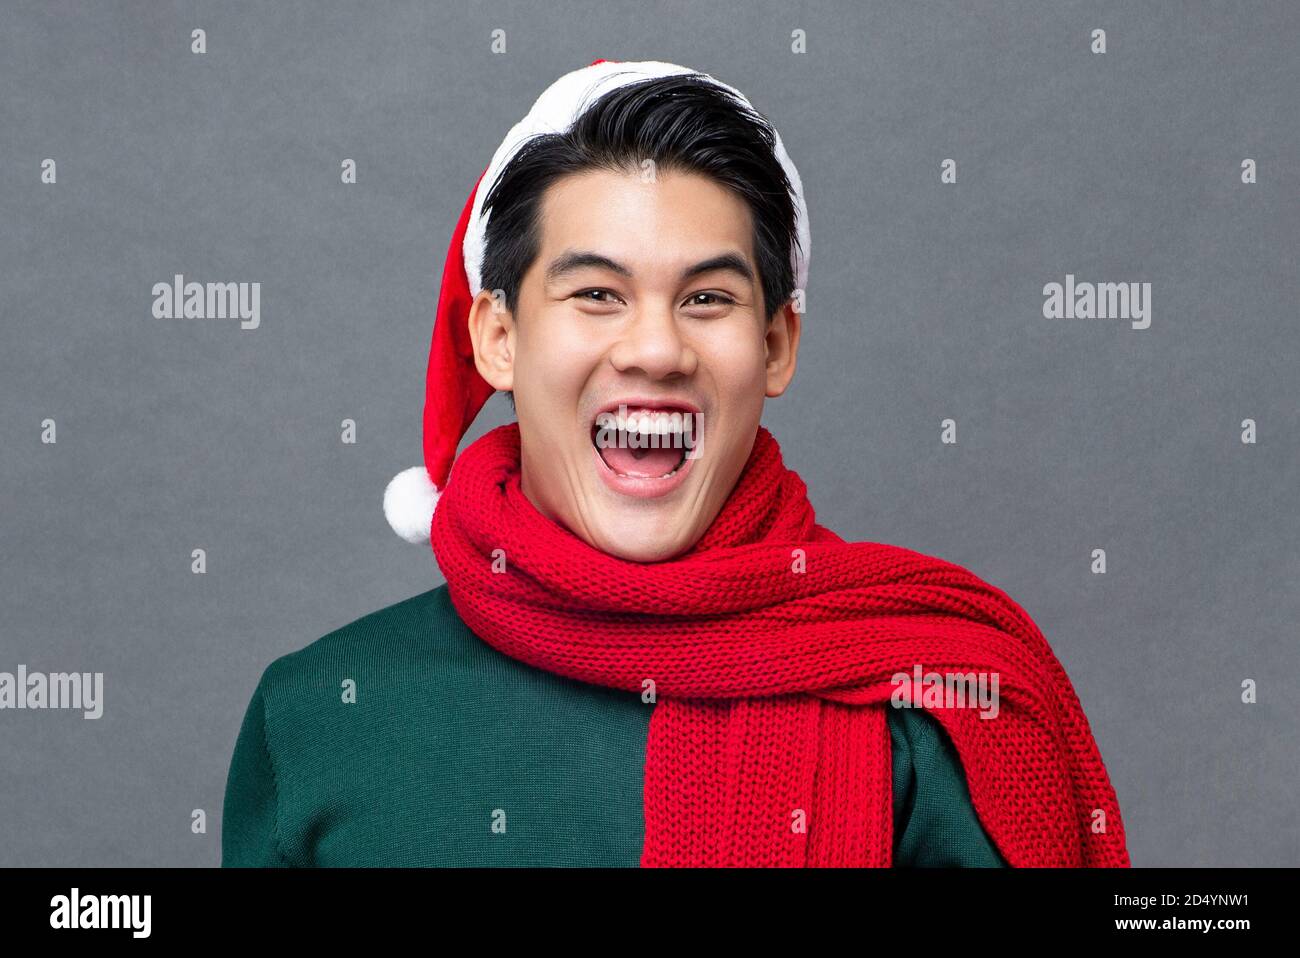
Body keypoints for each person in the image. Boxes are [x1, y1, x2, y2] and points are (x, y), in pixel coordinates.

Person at [222, 59, 1128, 868]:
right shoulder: (317, 716)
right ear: (498, 338)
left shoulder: (936, 707)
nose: (654, 348)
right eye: (595, 294)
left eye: (706, 297)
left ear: (776, 345)